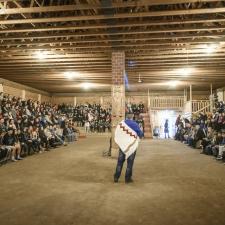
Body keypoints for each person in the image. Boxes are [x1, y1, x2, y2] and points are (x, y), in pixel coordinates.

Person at [114, 114, 144, 183]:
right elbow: (140, 134)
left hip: (123, 146)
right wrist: (141, 131)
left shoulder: (121, 124)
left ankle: (116, 177)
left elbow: (117, 133)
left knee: (119, 162)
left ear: (126, 117)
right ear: (132, 117)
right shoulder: (135, 124)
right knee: (130, 163)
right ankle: (127, 179)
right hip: (131, 146)